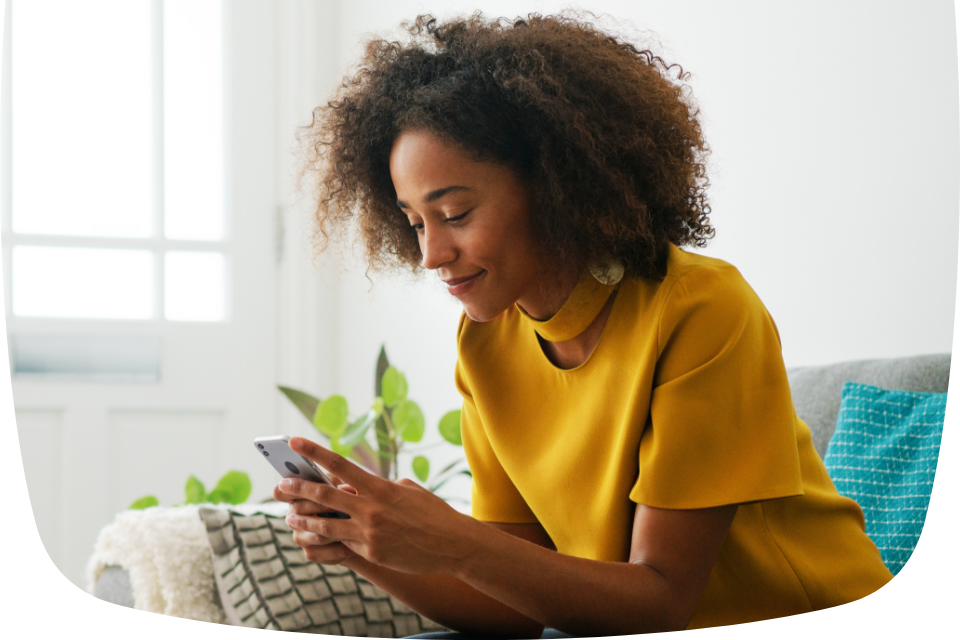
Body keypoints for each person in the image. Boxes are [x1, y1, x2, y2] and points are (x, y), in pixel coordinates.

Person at [275, 13, 893, 637]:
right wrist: (371, 550)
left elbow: (660, 603)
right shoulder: (486, 342)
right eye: (415, 223)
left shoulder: (700, 309)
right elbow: (513, 609)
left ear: (554, 186)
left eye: (455, 213)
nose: (431, 254)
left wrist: (454, 540)